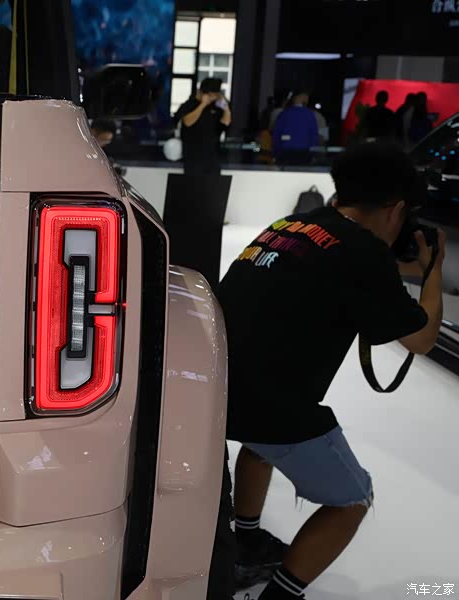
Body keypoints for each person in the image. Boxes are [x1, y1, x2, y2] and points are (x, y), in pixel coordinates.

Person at [217, 143, 445, 599]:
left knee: (260, 447)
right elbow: (421, 339)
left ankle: (247, 543)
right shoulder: (363, 253)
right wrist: (432, 270)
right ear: (396, 208)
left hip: (219, 390)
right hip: (272, 405)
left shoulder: (291, 225)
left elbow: (329, 269)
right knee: (352, 499)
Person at [173, 77, 232, 175]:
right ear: (202, 93)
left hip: (212, 157)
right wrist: (203, 105)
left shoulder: (216, 106)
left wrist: (226, 108)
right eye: (211, 95)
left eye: (215, 95)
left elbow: (226, 122)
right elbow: (187, 122)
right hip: (193, 158)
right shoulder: (189, 105)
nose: (213, 98)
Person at [272, 91, 319, 165]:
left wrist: (276, 153)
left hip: (285, 152)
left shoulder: (284, 114)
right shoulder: (310, 114)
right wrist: (313, 154)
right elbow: (314, 136)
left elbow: (276, 135)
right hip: (304, 152)